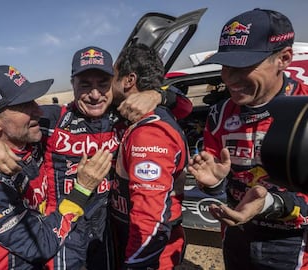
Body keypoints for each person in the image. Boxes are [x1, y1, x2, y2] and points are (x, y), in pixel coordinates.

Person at [0, 64, 112, 269]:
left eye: (33, 100)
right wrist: (82, 189)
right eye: (24, 105)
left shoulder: (27, 138)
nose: (38, 110)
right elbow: (41, 245)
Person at [188, 8, 308, 269]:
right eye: (225, 66)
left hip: (292, 242)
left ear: (284, 58)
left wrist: (271, 203)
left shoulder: (304, 111)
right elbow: (219, 186)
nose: (229, 78)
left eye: (242, 65)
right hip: (237, 233)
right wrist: (214, 185)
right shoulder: (220, 113)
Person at [108, 43, 188, 269]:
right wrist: (159, 95)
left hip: (151, 251)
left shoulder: (149, 131)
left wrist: (136, 263)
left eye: (112, 75)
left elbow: (149, 222)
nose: (107, 84)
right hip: (133, 238)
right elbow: (184, 105)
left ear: (128, 80)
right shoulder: (142, 114)